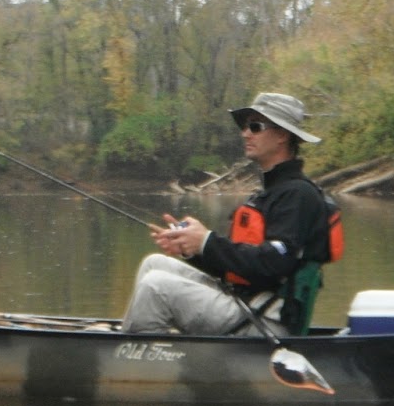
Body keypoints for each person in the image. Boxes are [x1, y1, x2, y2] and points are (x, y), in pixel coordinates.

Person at [120, 92, 330, 335]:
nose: (245, 133)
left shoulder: (298, 195)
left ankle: (138, 363)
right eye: (245, 126)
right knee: (153, 264)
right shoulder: (272, 192)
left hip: (265, 321)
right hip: (245, 301)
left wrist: (207, 241)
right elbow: (242, 267)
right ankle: (142, 345)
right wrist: (193, 249)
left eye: (255, 127)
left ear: (282, 135)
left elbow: (274, 264)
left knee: (155, 286)